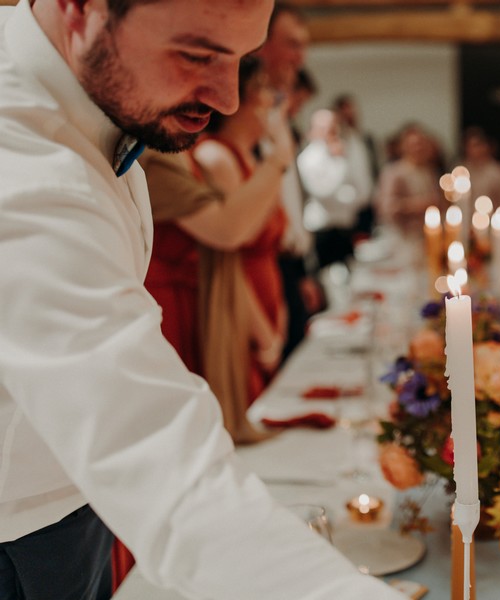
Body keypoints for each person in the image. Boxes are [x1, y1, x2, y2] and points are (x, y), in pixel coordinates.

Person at [0, 0, 405, 598]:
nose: (229, 99)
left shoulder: (92, 87)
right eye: (196, 54)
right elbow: (155, 456)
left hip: (73, 490)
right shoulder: (21, 167)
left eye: (240, 59)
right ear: (79, 9)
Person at [192, 58, 288, 406]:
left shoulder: (253, 158)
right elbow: (230, 250)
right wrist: (263, 333)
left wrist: (280, 313)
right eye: (264, 89)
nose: (273, 100)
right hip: (240, 307)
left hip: (268, 300)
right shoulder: (217, 156)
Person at [255, 3, 323, 360]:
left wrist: (303, 271)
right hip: (260, 270)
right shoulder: (243, 116)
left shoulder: (280, 113)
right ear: (260, 42)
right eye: (292, 44)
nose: (301, 57)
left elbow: (291, 200)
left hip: (287, 266)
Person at [298, 108, 367, 267]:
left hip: (345, 226)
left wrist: (345, 197)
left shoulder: (343, 150)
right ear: (313, 130)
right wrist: (340, 162)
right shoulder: (309, 158)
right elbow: (324, 193)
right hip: (322, 230)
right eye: (325, 128)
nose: (330, 132)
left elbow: (361, 190)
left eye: (333, 127)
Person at [375, 123, 443, 236]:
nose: (418, 148)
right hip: (403, 235)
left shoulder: (429, 171)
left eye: (421, 143)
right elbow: (386, 208)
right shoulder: (394, 172)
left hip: (426, 234)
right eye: (414, 144)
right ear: (403, 146)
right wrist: (418, 205)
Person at [333, 94, 378, 236]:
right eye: (345, 112)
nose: (349, 115)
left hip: (368, 203)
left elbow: (373, 169)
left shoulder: (365, 139)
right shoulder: (337, 142)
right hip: (348, 205)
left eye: (352, 111)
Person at [462, 126, 500, 209]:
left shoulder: (499, 173)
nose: (471, 150)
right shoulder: (461, 170)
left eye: (476, 145)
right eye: (469, 145)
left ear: (486, 146)